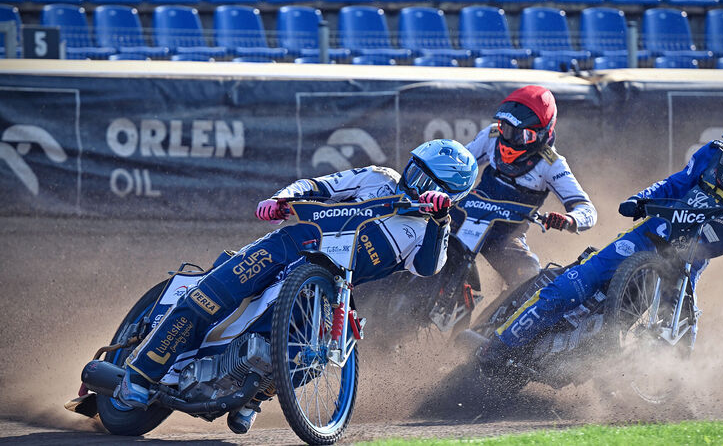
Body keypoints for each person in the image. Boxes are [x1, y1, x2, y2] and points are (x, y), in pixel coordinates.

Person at [116, 139, 478, 434]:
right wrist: (280, 199)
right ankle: (140, 373)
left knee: (313, 359)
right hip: (287, 247)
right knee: (212, 296)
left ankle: (255, 394)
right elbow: (319, 186)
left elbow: (429, 268)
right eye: (415, 169)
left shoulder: (428, 231)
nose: (415, 183)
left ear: (449, 196)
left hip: (335, 285)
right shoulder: (378, 177)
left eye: (430, 184)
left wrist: (439, 218)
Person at [479, 101, 723, 367]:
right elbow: (675, 183)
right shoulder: (712, 154)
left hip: (688, 259)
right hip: (649, 234)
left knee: (666, 324)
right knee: (572, 285)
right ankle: (498, 346)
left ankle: (659, 384)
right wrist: (641, 199)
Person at [465, 84, 597, 287]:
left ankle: (499, 319)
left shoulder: (552, 164)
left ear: (542, 134)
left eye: (520, 134)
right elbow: (459, 165)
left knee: (529, 279)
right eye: (505, 129)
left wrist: (569, 220)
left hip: (504, 235)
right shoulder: (491, 136)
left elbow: (587, 210)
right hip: (465, 215)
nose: (509, 138)